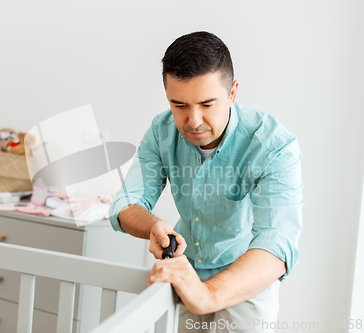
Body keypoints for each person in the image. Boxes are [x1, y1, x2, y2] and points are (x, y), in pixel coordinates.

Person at [109, 31, 303, 333]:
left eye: (207, 104)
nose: (194, 120)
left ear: (233, 93)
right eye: (180, 105)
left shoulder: (273, 144)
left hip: (247, 281)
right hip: (185, 272)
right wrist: (153, 226)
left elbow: (277, 243)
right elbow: (126, 204)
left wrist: (208, 295)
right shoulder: (161, 132)